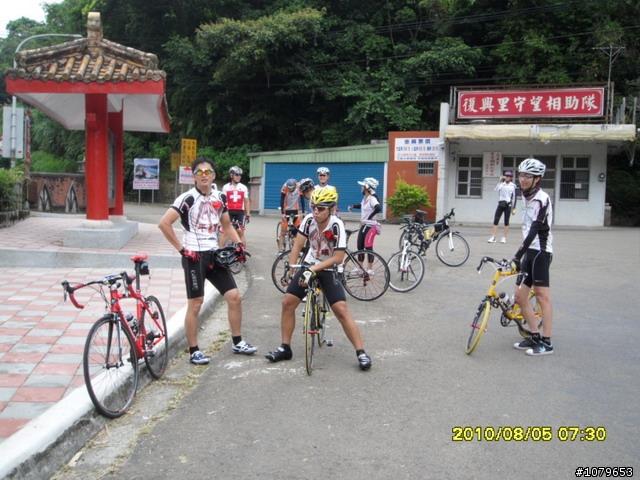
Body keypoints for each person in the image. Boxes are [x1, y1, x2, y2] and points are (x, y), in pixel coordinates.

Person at [158, 157, 257, 365]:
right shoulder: (187, 198)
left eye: (208, 172)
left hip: (214, 254)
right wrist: (183, 250)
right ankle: (194, 351)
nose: (204, 175)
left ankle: (237, 342)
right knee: (195, 304)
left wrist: (239, 243)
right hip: (194, 256)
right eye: (199, 172)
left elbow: (226, 225)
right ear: (193, 176)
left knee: (234, 297)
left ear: (214, 175)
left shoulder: (220, 197)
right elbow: (164, 224)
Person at [265, 187, 372, 371]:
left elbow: (338, 258)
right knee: (287, 302)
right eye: (313, 207)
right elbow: (298, 245)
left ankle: (361, 352)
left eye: (321, 208)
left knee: (341, 310)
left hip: (330, 267)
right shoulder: (308, 220)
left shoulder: (337, 225)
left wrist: (313, 269)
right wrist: (291, 270)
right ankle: (285, 348)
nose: (315, 211)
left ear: (332, 209)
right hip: (310, 264)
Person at [510, 158, 554, 356]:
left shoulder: (542, 199)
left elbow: (535, 229)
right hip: (529, 252)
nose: (523, 179)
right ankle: (534, 335)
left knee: (542, 296)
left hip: (541, 252)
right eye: (521, 175)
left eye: (528, 176)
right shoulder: (525, 195)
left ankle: (547, 342)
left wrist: (517, 254)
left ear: (537, 179)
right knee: (520, 296)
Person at [348, 177, 382, 271]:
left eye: (363, 186)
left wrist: (370, 216)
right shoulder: (365, 198)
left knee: (368, 246)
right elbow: (362, 206)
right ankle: (360, 268)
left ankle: (370, 269)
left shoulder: (372, 198)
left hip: (371, 226)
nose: (361, 187)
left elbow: (378, 208)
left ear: (367, 187)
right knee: (360, 246)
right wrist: (353, 206)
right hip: (363, 225)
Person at [219, 166, 250, 248]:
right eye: (236, 175)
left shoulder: (243, 187)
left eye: (240, 175)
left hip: (240, 211)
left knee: (240, 232)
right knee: (225, 232)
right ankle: (219, 250)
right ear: (231, 175)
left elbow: (246, 201)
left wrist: (248, 214)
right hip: (228, 211)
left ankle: (243, 252)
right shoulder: (226, 187)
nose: (238, 177)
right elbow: (223, 201)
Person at [488, 169, 517, 243]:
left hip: (508, 204)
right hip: (501, 204)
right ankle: (493, 237)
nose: (507, 177)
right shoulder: (501, 184)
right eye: (506, 176)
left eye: (509, 176)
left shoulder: (513, 186)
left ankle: (504, 237)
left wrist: (514, 207)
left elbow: (514, 197)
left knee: (506, 221)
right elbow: (496, 189)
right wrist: (500, 181)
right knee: (496, 220)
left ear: (511, 178)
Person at [278, 178, 302, 252]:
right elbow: (282, 200)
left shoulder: (299, 187)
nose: (290, 189)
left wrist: (303, 212)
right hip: (286, 210)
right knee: (283, 231)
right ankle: (280, 250)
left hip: (295, 210)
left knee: (297, 231)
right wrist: (282, 213)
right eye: (289, 188)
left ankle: (296, 250)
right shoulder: (285, 187)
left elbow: (302, 199)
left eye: (291, 188)